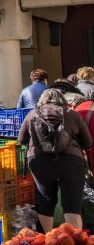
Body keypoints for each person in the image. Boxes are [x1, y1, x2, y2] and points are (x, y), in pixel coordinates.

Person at [17, 88, 92, 230]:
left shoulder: (32, 114)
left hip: (39, 162)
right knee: (72, 204)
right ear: (62, 100)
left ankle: (50, 241)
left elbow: (21, 140)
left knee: (45, 201)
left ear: (42, 101)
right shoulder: (72, 114)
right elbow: (88, 143)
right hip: (70, 161)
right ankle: (74, 242)